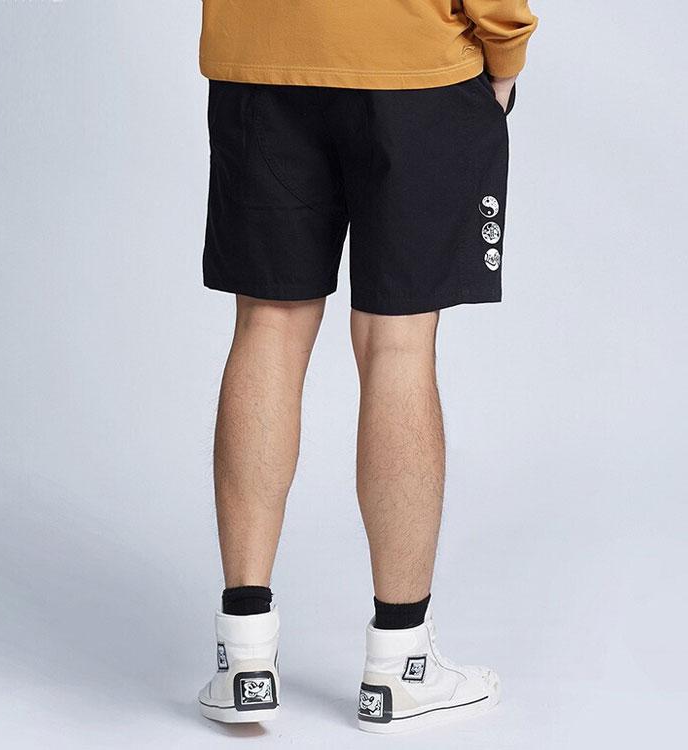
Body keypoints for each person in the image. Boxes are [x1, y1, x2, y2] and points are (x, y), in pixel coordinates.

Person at [196, 0, 538, 733]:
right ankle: (400, 666)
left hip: (262, 54)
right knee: (398, 342)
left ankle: (243, 658)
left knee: (267, 326)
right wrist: (505, 50)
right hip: (413, 61)